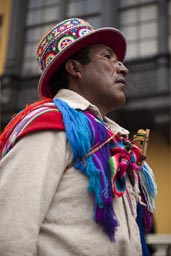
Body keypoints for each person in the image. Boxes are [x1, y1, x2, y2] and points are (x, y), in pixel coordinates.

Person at [0, 18, 157, 256]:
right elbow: (10, 230)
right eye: (107, 57)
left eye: (120, 61)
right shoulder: (51, 124)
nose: (123, 68)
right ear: (75, 69)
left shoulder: (112, 139)